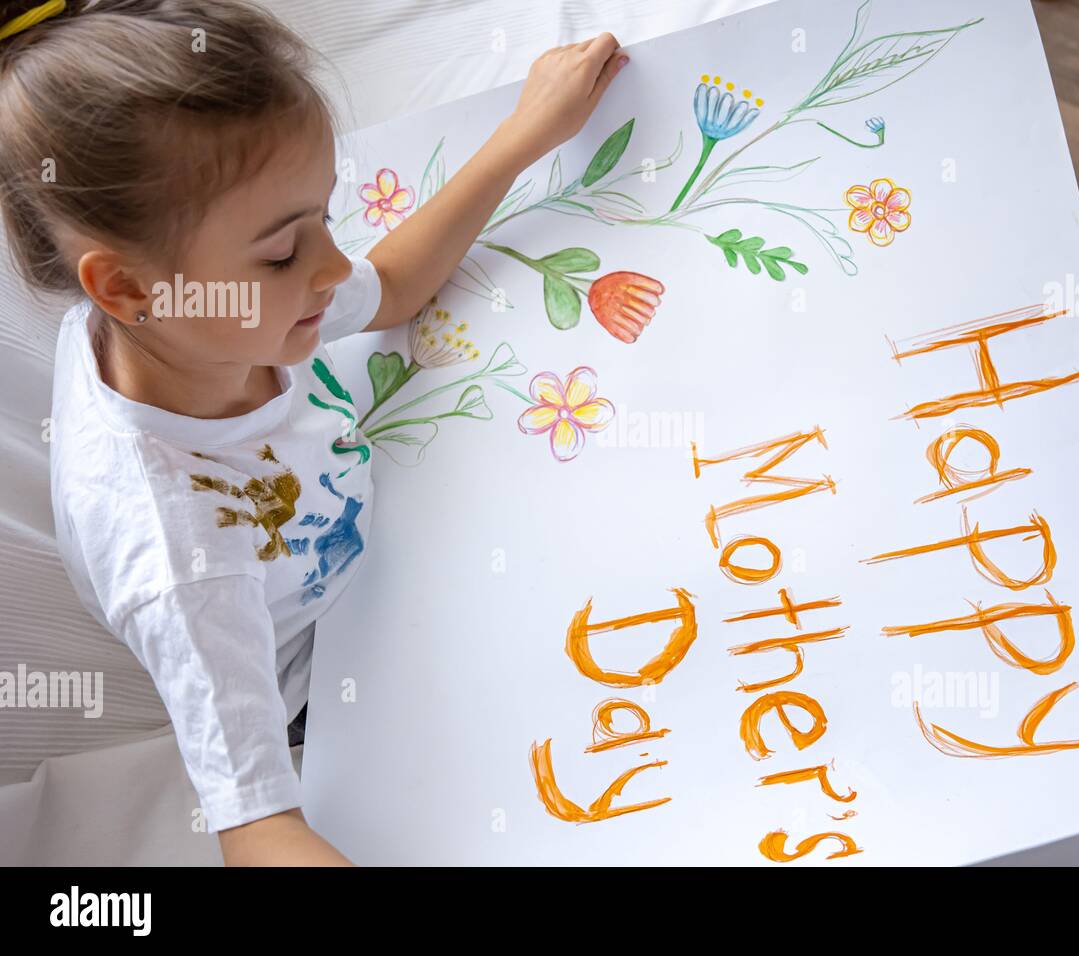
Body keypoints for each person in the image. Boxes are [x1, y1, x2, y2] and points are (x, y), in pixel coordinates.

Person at [0, 0, 626, 865]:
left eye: (325, 219)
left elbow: (395, 286)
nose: (333, 268)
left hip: (377, 533)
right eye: (283, 252)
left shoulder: (207, 318)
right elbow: (257, 828)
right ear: (125, 290)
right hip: (332, 677)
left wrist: (526, 132)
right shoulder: (181, 558)